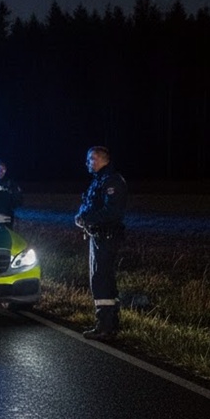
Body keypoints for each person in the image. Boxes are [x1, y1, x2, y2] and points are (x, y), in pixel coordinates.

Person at [74, 146, 128, 341]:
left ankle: (104, 326)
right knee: (103, 278)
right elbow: (90, 205)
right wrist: (82, 216)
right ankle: (110, 324)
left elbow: (112, 212)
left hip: (106, 237)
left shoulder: (112, 181)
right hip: (98, 236)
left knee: (101, 279)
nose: (88, 163)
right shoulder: (99, 181)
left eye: (91, 159)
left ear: (99, 159)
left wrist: (89, 219)